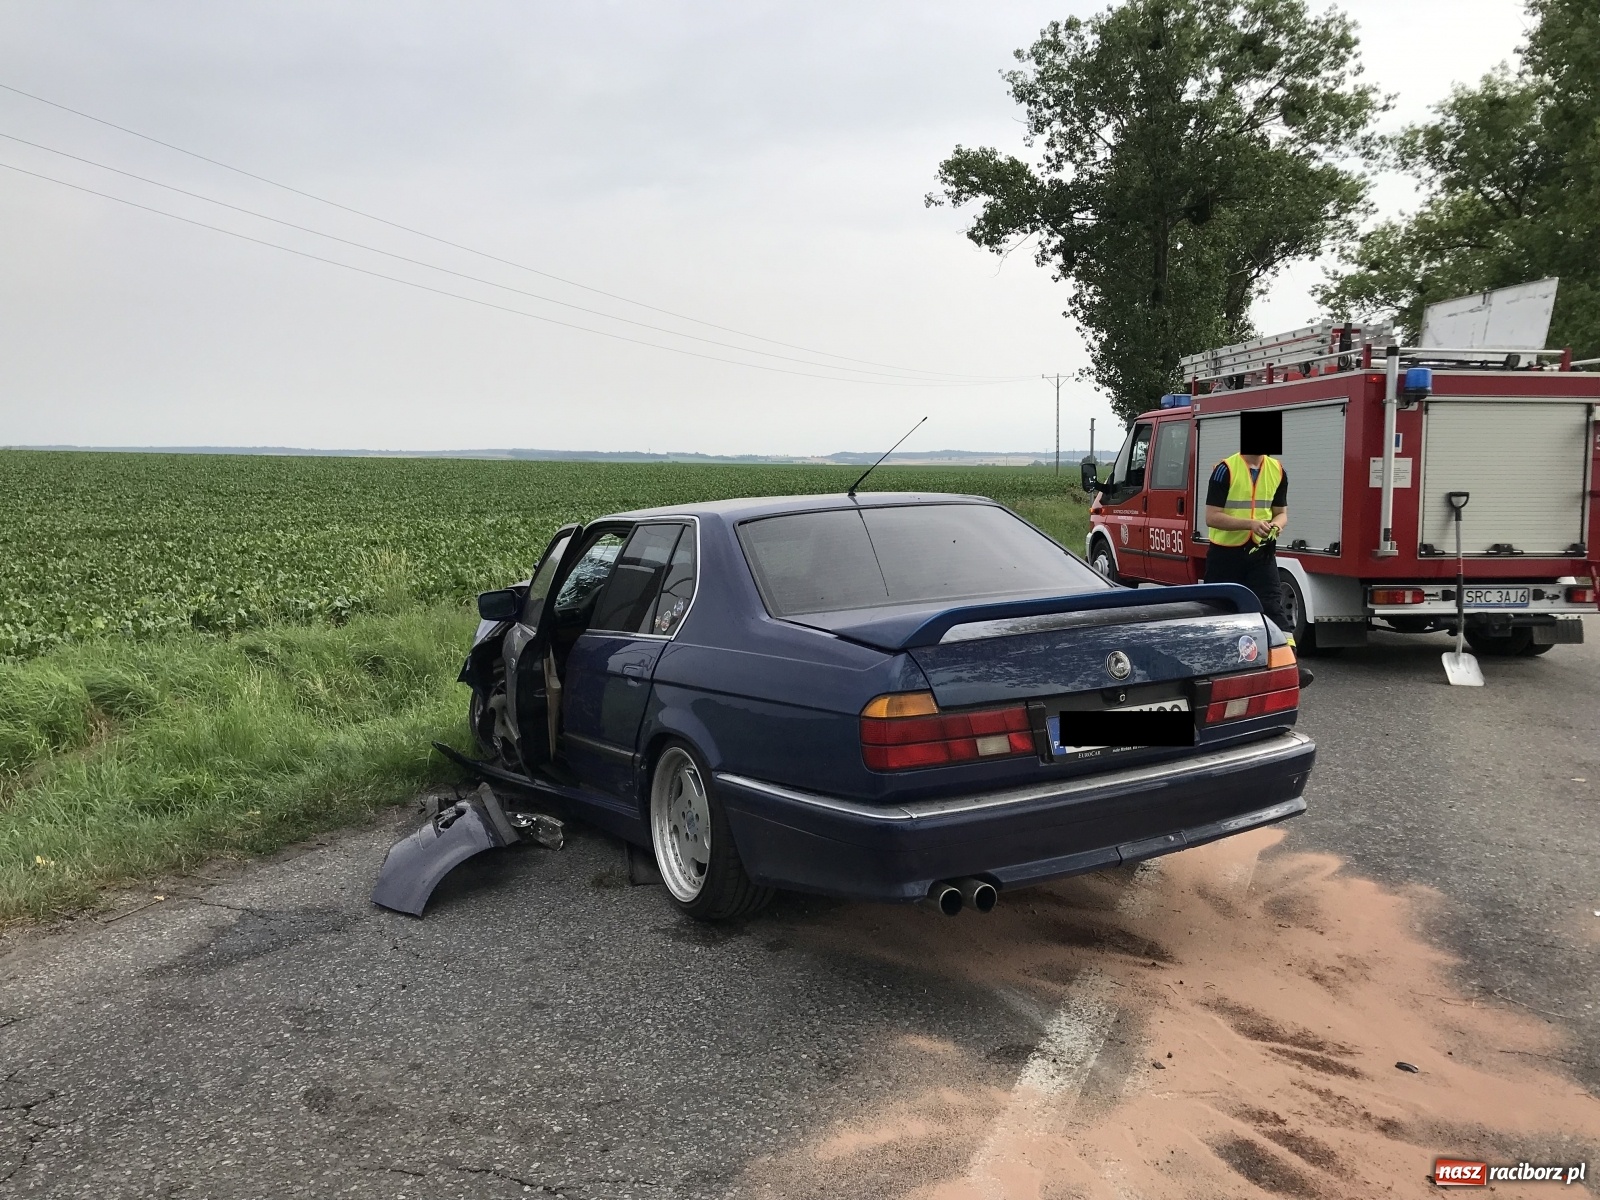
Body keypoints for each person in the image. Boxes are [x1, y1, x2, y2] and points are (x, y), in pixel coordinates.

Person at [1204, 414, 1313, 686]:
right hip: (1225, 553)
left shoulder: (1277, 470)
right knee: (1220, 610)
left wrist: (1275, 526)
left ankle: (1289, 667)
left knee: (1272, 608)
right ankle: (1217, 669)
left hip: (1261, 553)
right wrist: (1250, 523)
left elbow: (1282, 514)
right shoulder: (1225, 469)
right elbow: (1211, 517)